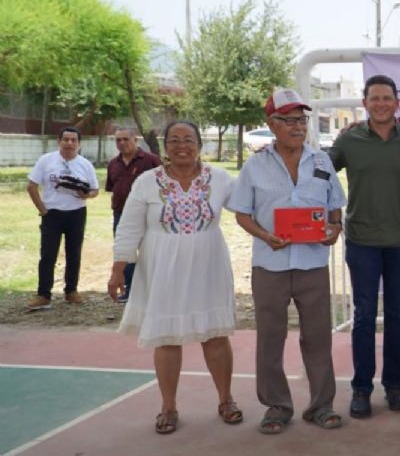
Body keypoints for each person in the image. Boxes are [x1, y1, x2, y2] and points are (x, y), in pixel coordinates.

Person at [108, 121, 241, 435]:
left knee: (215, 335)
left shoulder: (220, 179)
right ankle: (168, 407)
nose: (182, 146)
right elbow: (129, 227)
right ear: (164, 146)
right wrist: (117, 270)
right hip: (162, 266)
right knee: (166, 336)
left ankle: (226, 400)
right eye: (175, 140)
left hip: (208, 263)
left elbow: (249, 208)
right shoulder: (147, 182)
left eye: (189, 140)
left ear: (200, 145)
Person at [228, 88, 346, 434]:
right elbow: (242, 214)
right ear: (272, 124)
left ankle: (321, 405)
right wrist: (265, 236)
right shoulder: (255, 165)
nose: (298, 127)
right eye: (289, 120)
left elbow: (334, 206)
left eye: (302, 120)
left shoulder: (322, 161)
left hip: (312, 265)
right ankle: (277, 406)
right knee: (270, 337)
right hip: (270, 265)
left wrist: (334, 228)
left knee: (318, 337)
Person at [328, 75, 400, 419]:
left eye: (387, 98)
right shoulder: (349, 140)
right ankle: (361, 389)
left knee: (396, 317)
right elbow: (320, 175)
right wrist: (330, 215)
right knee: (364, 317)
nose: (381, 103)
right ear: (365, 103)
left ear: (397, 103)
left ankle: (394, 385)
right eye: (374, 98)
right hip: (362, 241)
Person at [26, 127, 100, 310]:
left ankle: (71, 291)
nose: (69, 143)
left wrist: (87, 195)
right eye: (66, 139)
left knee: (74, 253)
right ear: (58, 142)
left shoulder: (85, 164)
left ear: (79, 144)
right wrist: (43, 209)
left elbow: (95, 190)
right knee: (48, 255)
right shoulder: (46, 161)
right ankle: (44, 294)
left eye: (73, 140)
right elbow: (31, 186)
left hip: (76, 213)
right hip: (52, 214)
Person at [105, 127, 162, 303]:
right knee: (126, 253)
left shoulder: (151, 160)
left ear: (135, 140)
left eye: (125, 139)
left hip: (148, 214)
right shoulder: (113, 163)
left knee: (150, 251)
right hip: (121, 214)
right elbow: (111, 187)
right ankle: (130, 290)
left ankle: (153, 288)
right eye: (118, 140)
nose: (122, 143)